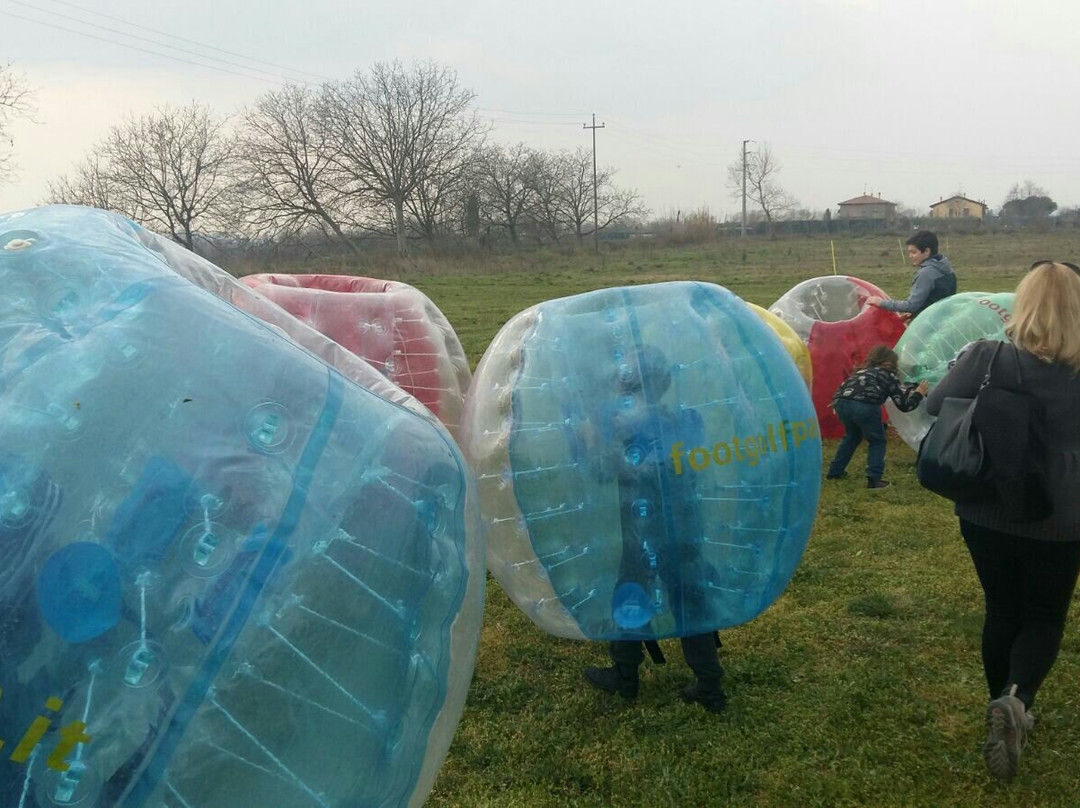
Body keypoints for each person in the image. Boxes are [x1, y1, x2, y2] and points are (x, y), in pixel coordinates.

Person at [925, 262, 1080, 780]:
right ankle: (1018, 700)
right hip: (1064, 515)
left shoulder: (988, 356)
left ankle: (1001, 703)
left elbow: (933, 404)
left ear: (1022, 305)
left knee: (1001, 608)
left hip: (987, 507)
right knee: (1043, 614)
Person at [581, 345, 727, 714]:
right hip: (686, 525)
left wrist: (594, 441)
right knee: (690, 598)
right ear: (665, 383)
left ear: (626, 384)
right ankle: (710, 685)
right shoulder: (688, 419)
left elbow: (603, 472)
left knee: (632, 593)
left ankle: (625, 675)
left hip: (643, 531)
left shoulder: (622, 428)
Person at [826, 345, 927, 489]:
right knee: (877, 441)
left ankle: (835, 472)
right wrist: (918, 393)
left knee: (852, 437)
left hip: (840, 402)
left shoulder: (861, 372)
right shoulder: (888, 375)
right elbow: (904, 406)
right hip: (865, 404)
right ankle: (874, 479)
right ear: (890, 362)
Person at [866, 230, 957, 320]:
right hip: (946, 321)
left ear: (926, 251)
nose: (910, 256)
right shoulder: (947, 268)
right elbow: (937, 299)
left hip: (929, 325)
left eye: (914, 252)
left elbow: (911, 305)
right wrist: (915, 313)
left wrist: (881, 303)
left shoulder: (925, 274)